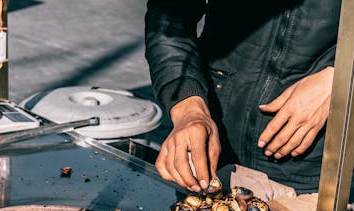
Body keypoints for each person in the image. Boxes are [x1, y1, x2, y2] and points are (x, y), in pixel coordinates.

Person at [144, 0, 346, 195]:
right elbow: (169, 19)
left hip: (318, 161)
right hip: (212, 138)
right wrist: (188, 109)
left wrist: (342, 78)